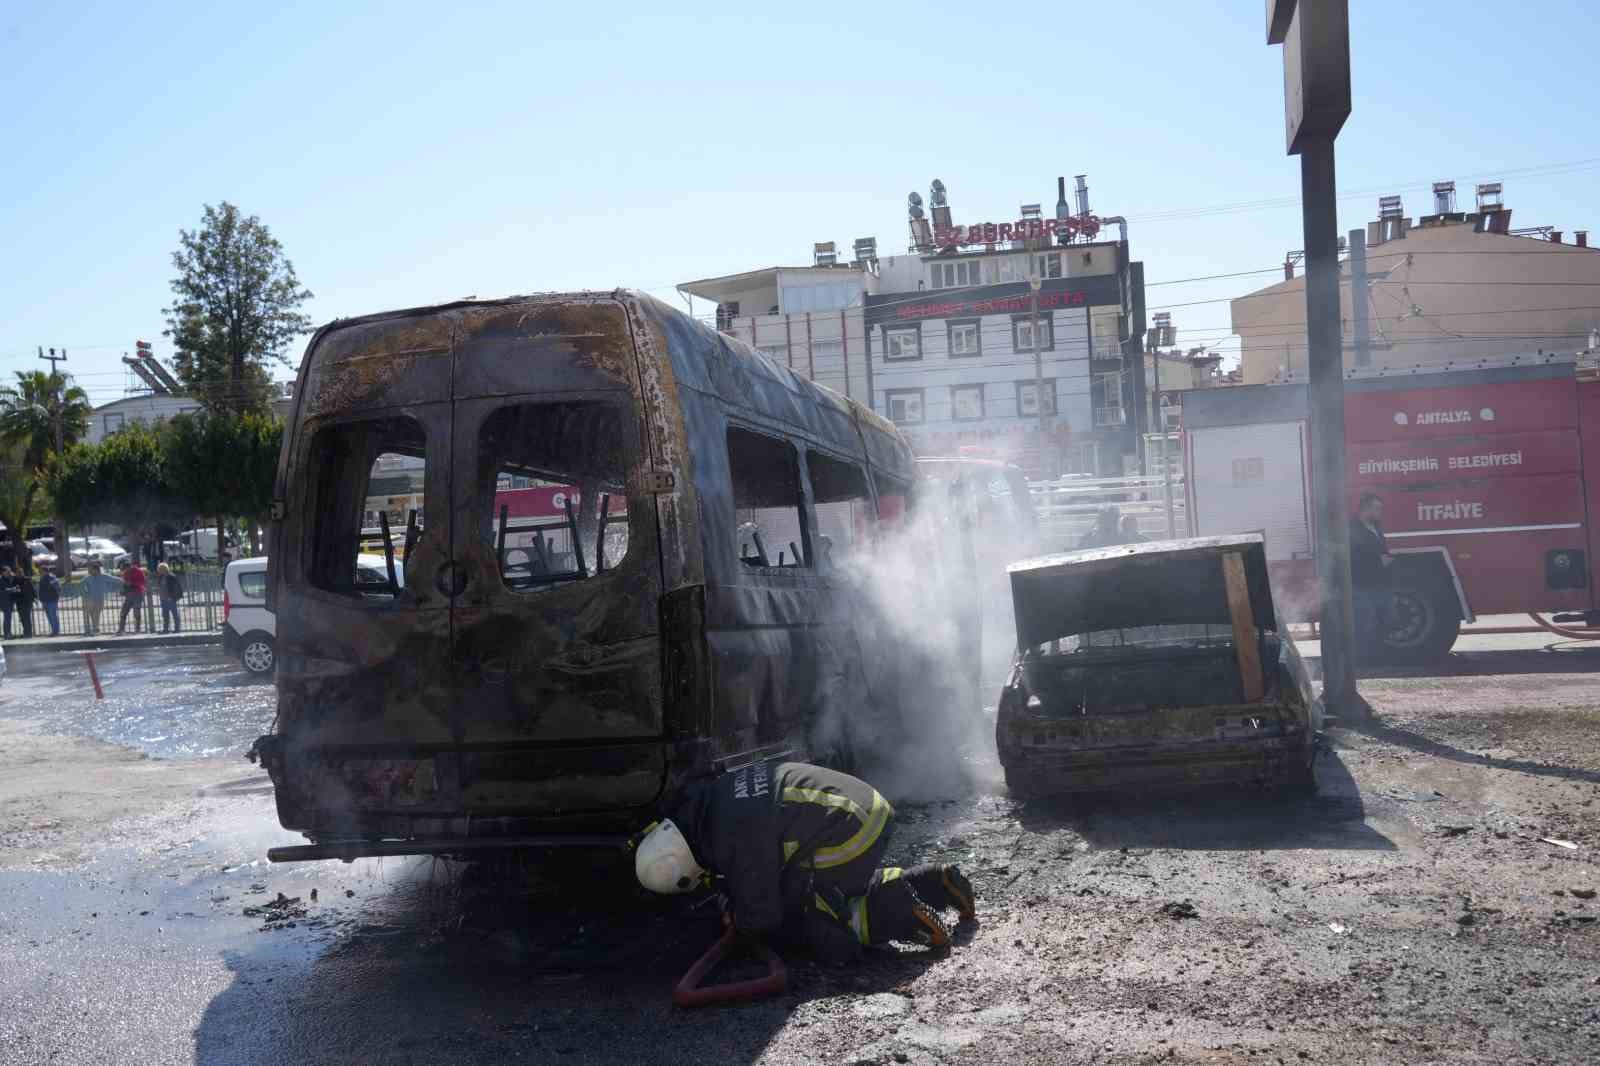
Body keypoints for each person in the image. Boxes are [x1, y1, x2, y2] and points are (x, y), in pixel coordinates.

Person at [632, 760, 976, 963]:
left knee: (814, 918)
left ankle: (901, 913)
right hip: (861, 809)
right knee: (834, 884)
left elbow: (763, 915)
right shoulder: (711, 802)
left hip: (850, 826)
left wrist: (736, 916)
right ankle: (934, 882)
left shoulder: (731, 836)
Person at [1350, 492, 1394, 660]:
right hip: (1362, 585)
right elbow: (1353, 556)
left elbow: (1380, 550)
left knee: (1386, 620)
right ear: (1365, 509)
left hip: (1380, 584)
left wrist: (1386, 558)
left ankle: (1376, 655)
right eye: (1377, 508)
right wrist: (1378, 561)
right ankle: (1363, 660)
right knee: (1364, 625)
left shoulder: (1376, 528)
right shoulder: (1352, 528)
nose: (1380, 512)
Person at [82, 561, 122, 636]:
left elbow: (115, 579)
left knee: (96, 614)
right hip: (90, 599)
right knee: (90, 614)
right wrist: (85, 593)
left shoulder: (103, 576)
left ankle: (95, 629)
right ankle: (91, 629)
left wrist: (123, 581)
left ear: (96, 569)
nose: (90, 571)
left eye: (91, 569)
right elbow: (82, 585)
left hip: (99, 598)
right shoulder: (88, 577)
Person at [118, 559, 148, 635]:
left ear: (129, 566)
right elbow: (125, 583)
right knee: (123, 612)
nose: (124, 571)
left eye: (125, 569)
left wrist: (132, 583)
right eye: (124, 569)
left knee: (136, 611)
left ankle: (137, 630)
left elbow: (142, 582)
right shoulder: (125, 573)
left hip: (138, 593)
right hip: (129, 594)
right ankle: (121, 629)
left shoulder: (138, 571)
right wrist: (123, 590)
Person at [156, 562, 184, 634]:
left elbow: (176, 588)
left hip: (170, 598)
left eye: (160, 569)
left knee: (174, 613)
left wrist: (173, 596)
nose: (159, 571)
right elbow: (160, 586)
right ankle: (166, 629)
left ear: (164, 569)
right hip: (163, 598)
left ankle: (177, 628)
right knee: (165, 614)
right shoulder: (161, 577)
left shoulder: (171, 576)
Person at [11, 568, 35, 638]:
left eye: (21, 572)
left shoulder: (27, 580)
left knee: (27, 617)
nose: (19, 574)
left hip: (27, 601)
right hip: (20, 602)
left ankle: (29, 633)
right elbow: (13, 591)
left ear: (23, 573)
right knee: (22, 618)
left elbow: (32, 589)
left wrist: (34, 597)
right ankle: (26, 632)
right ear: (16, 573)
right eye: (18, 572)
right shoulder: (14, 581)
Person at [38, 566, 61, 637]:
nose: (40, 572)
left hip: (52, 599)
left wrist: (56, 597)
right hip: (45, 600)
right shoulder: (42, 578)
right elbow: (41, 589)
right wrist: (41, 599)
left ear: (45, 571)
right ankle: (54, 630)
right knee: (49, 616)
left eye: (41, 571)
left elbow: (58, 588)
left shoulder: (52, 577)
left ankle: (56, 631)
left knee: (53, 615)